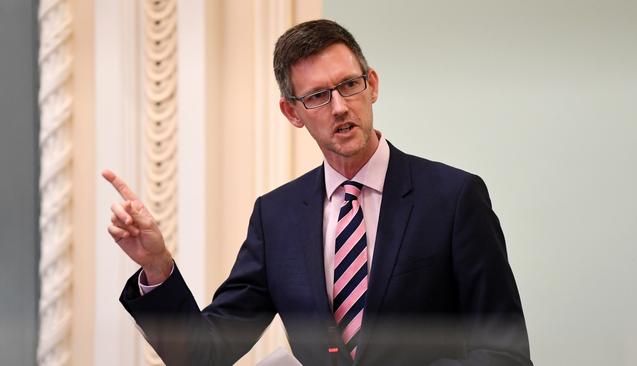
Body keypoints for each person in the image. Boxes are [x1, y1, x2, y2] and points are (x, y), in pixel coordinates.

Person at [104, 19, 532, 366]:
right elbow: (204, 353)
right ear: (292, 112)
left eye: (349, 85)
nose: (341, 107)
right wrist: (157, 268)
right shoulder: (277, 217)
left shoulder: (454, 198)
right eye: (318, 96)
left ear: (373, 84)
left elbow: (504, 355)